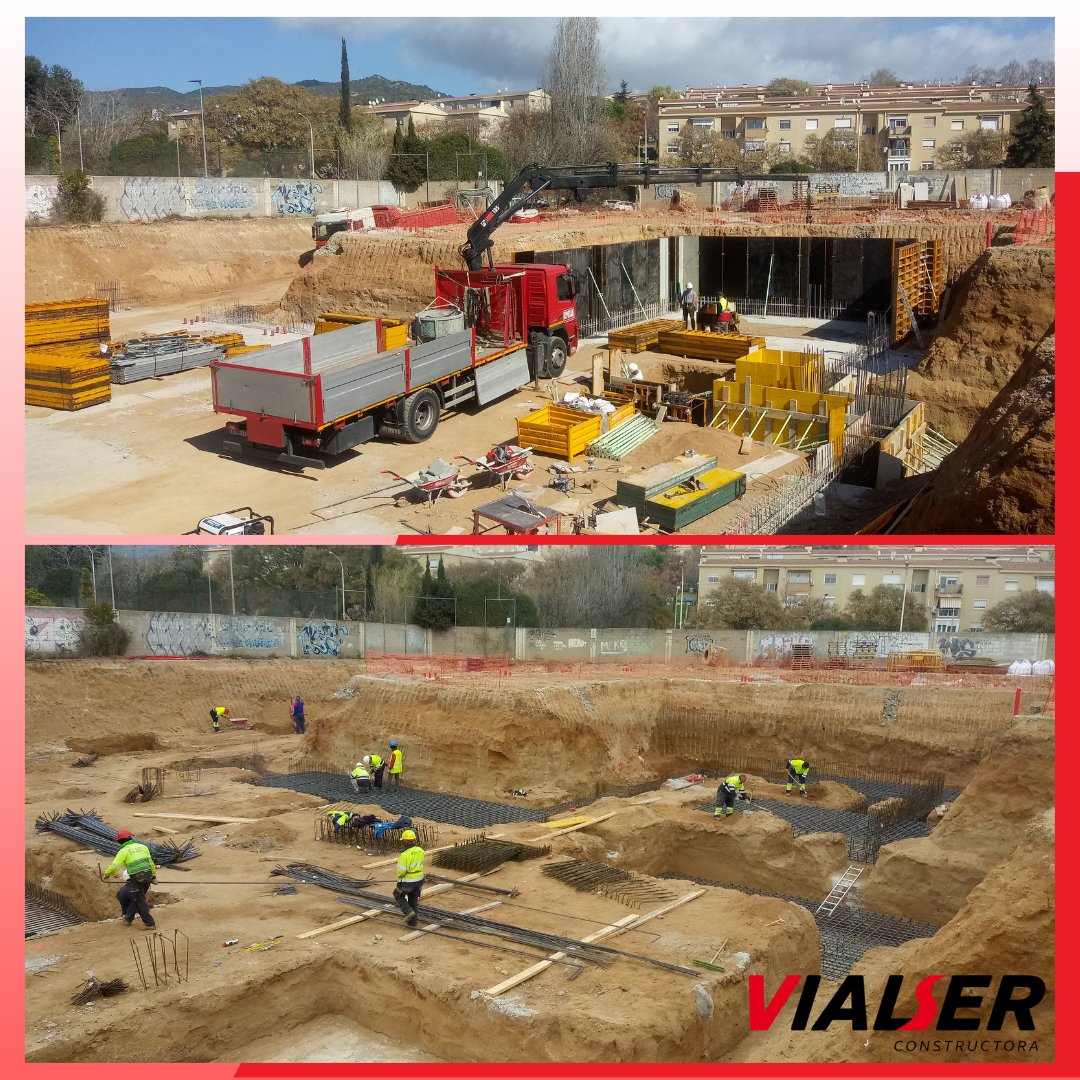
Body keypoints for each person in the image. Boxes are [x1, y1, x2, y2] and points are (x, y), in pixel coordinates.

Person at [102, 829, 157, 928]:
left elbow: (114, 867)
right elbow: (151, 863)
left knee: (140, 900)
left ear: (119, 841)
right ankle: (128, 917)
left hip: (137, 878)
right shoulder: (143, 847)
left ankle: (150, 923)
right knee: (137, 898)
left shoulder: (124, 851)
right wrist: (153, 876)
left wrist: (106, 874)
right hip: (148, 875)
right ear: (131, 838)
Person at [393, 829, 426, 927]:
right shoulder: (420, 850)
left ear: (407, 841)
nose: (403, 842)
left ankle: (408, 912)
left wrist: (400, 878)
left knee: (398, 894)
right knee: (413, 900)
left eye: (403, 840)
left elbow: (401, 872)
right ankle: (412, 923)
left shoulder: (405, 855)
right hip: (419, 881)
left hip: (408, 882)